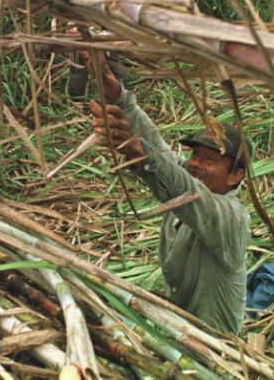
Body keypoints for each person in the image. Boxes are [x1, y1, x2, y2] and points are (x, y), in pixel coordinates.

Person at [87, 51, 253, 335]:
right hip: (179, 333)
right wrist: (119, 97)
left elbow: (182, 187)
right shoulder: (186, 180)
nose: (195, 164)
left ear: (235, 175)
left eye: (209, 160)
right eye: (194, 155)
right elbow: (163, 154)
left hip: (214, 347)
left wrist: (141, 156)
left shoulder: (232, 218)